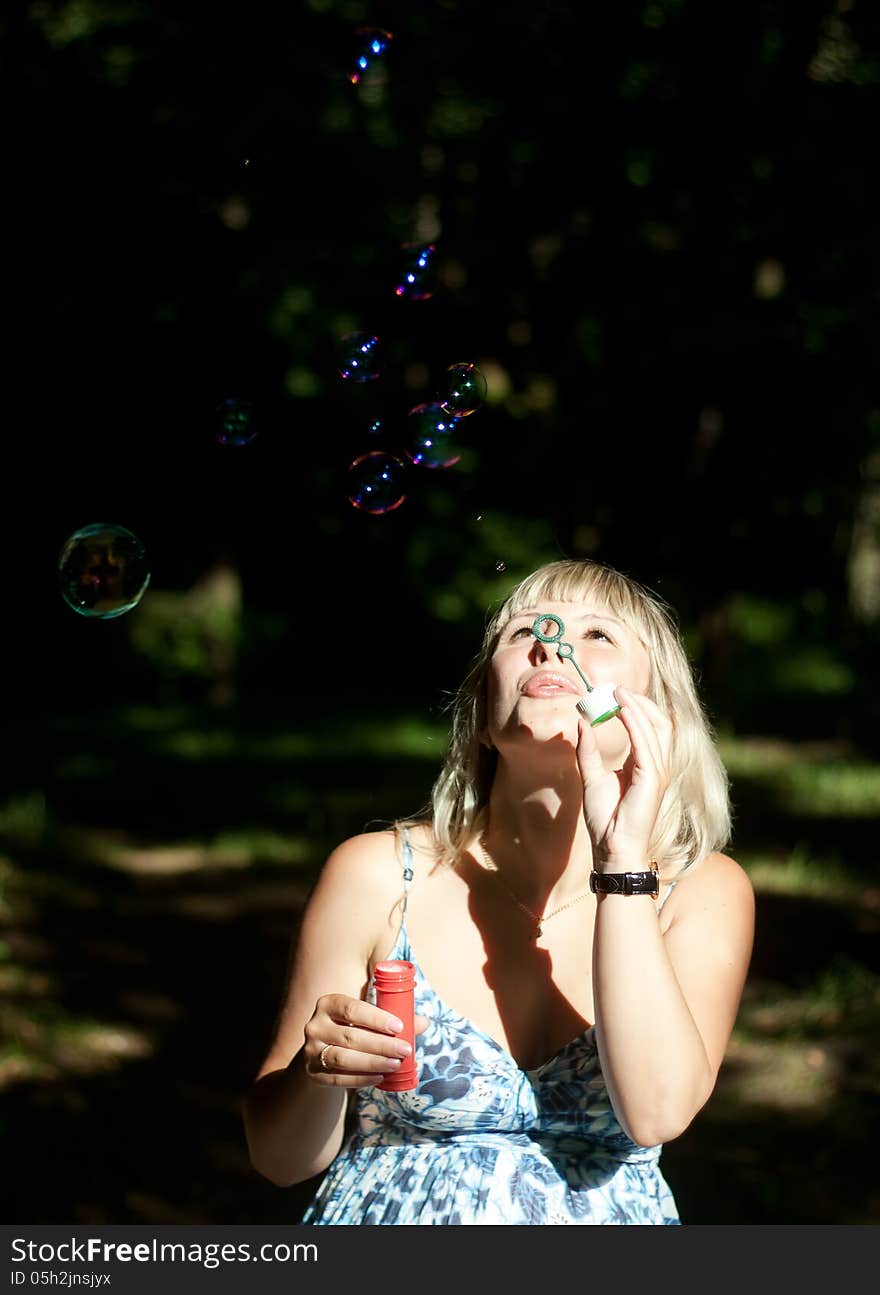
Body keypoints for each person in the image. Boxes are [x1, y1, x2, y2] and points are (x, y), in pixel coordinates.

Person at [242, 558, 755, 1224]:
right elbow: (280, 1159)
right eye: (521, 632)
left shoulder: (700, 890)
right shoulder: (375, 875)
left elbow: (656, 1110)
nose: (550, 643)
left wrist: (622, 858)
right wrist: (320, 1071)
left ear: (658, 713)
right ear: (484, 715)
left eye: (599, 634)